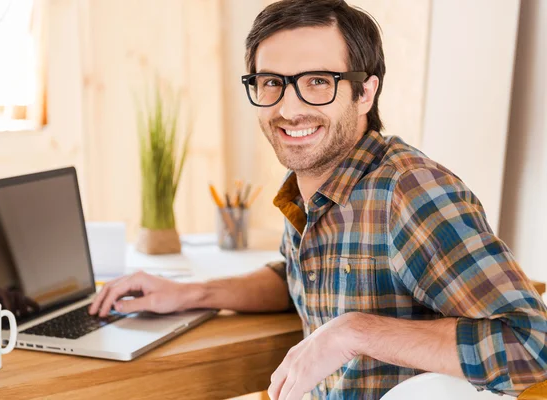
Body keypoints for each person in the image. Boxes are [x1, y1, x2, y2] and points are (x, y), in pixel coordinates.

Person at [90, 1, 547, 399]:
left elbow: (533, 346)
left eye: (316, 81)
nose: (288, 109)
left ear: (365, 91)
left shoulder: (409, 192)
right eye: (271, 82)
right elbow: (302, 278)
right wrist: (192, 293)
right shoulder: (313, 183)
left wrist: (355, 332)